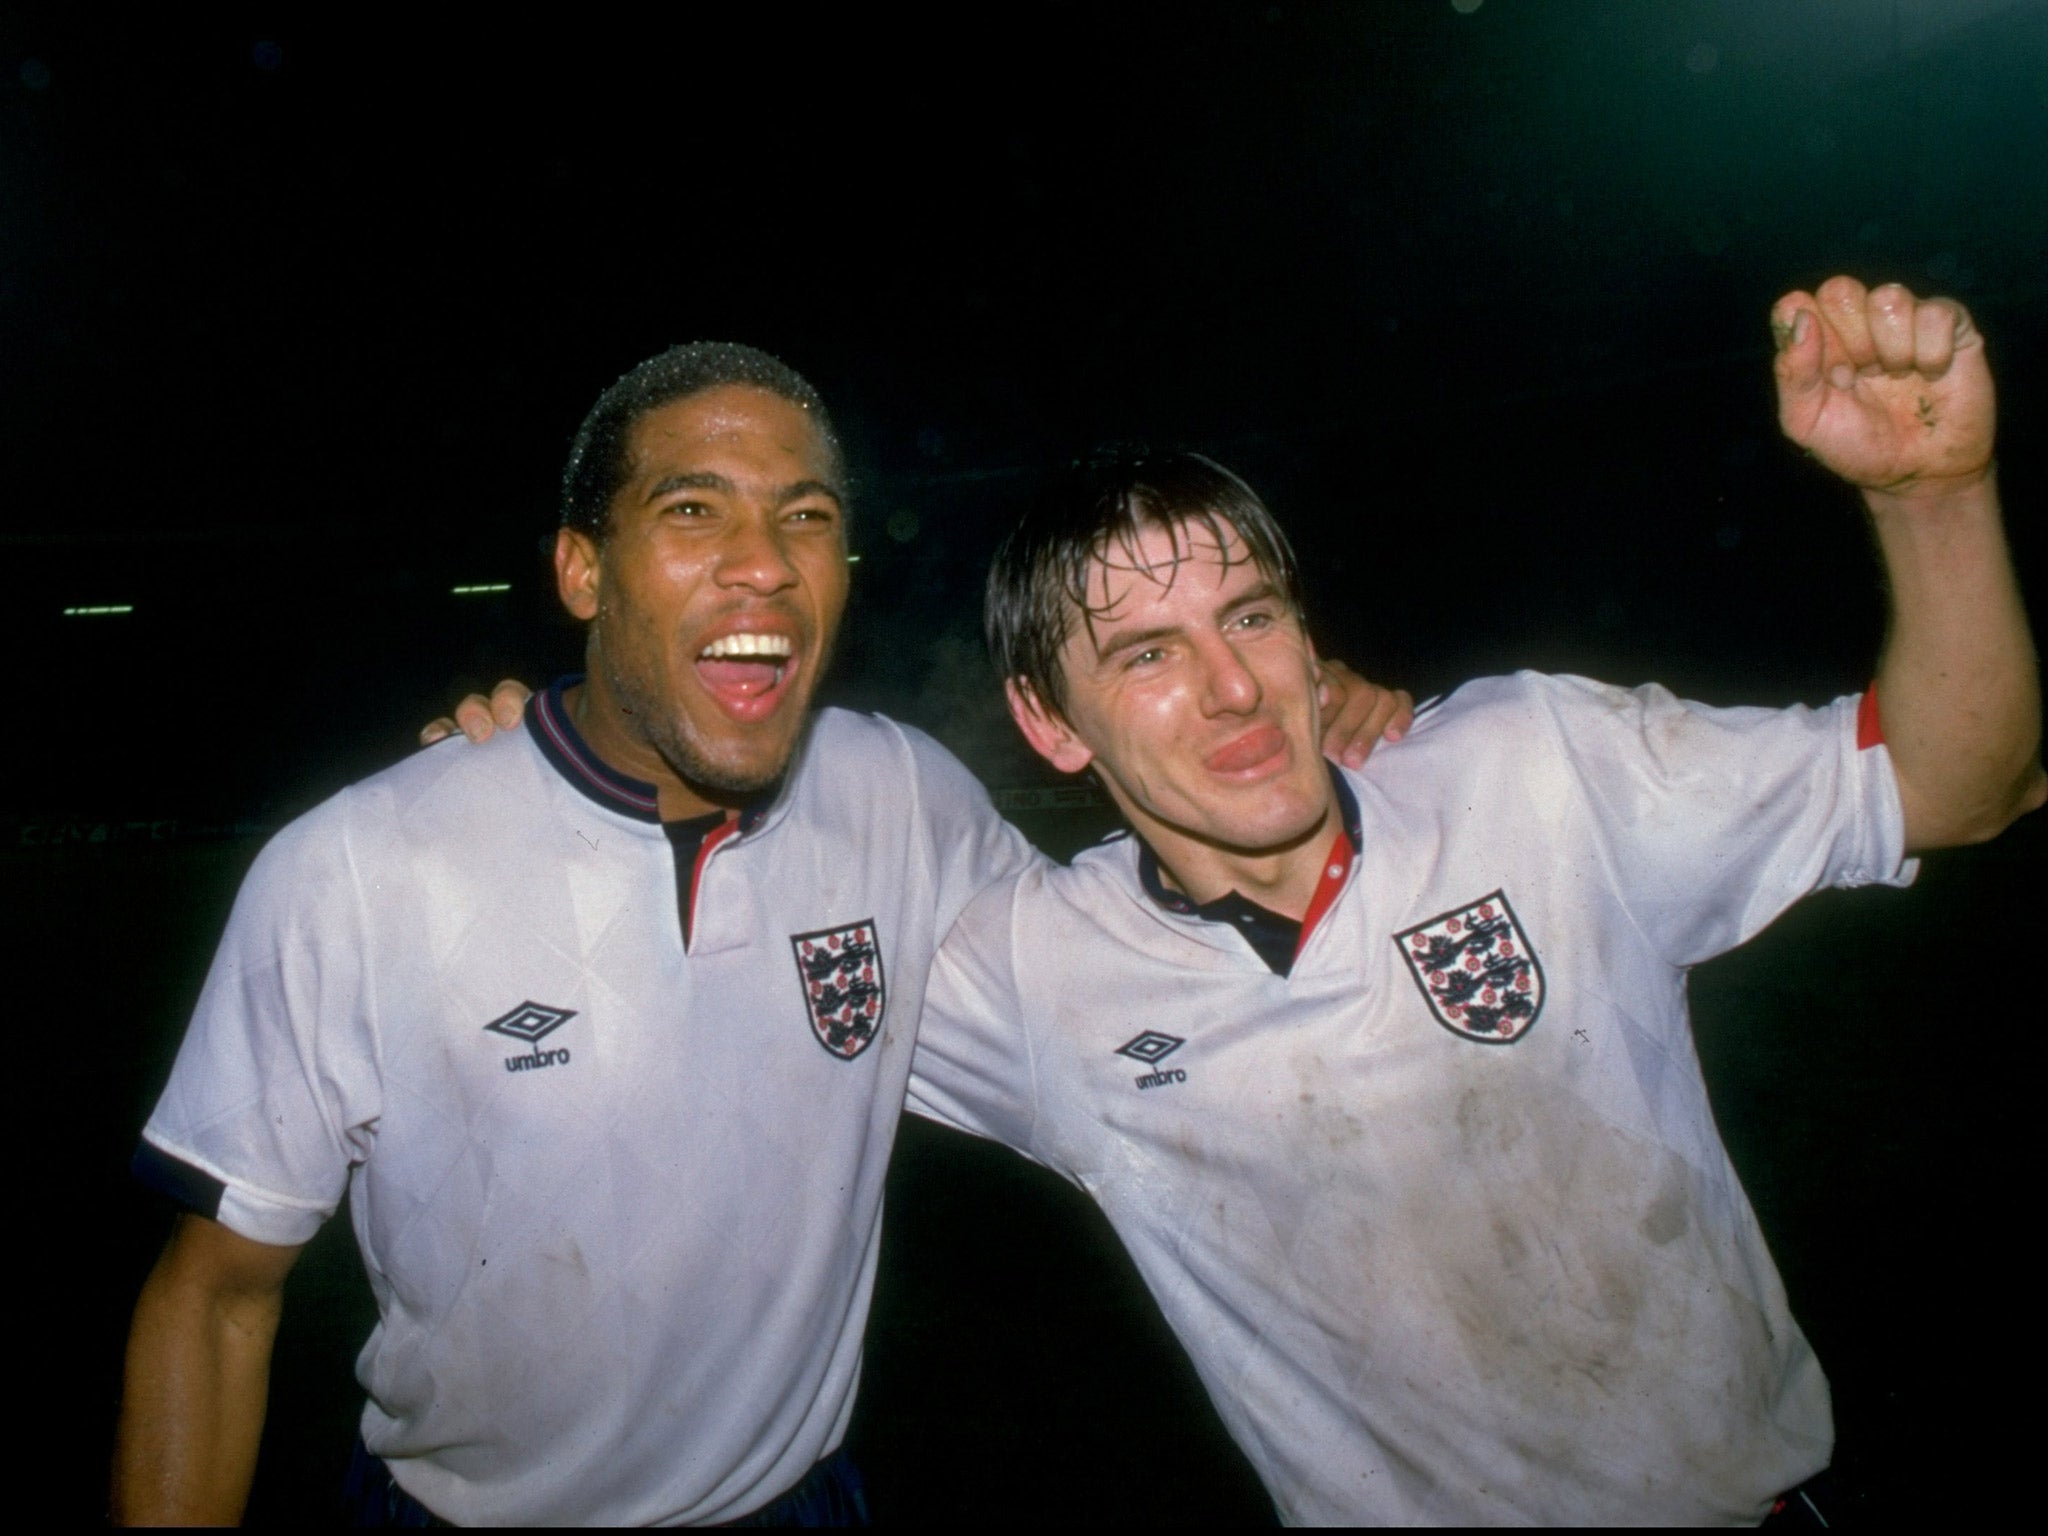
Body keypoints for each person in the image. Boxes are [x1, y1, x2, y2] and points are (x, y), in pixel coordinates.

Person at [112, 343, 1405, 1525]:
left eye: (807, 519)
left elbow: (1137, 965)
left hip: (798, 1502)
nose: (763, 561)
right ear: (580, 569)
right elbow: (215, 1299)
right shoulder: (355, 870)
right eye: (692, 511)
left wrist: (1294, 741)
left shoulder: (899, 798)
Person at [901, 277, 2043, 1522]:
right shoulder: (1029, 976)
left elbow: (1956, 784)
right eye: (1147, 654)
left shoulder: (1533, 770)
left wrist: (1930, 497)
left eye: (1250, 616)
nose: (1231, 687)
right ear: (1048, 722)